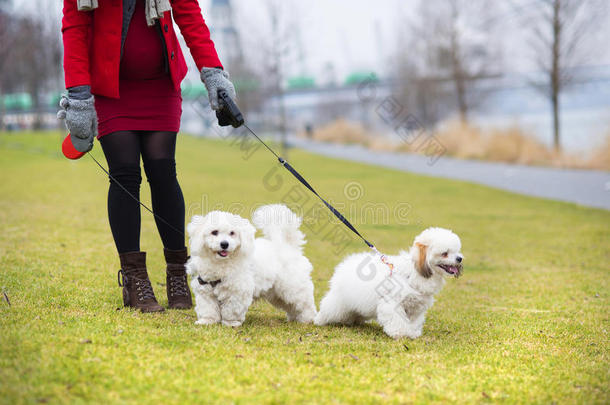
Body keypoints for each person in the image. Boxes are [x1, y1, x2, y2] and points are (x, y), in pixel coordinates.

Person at [58, 0, 236, 312]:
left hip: (160, 85)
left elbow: (190, 19)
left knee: (163, 173)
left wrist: (213, 73)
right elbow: (75, 28)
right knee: (124, 175)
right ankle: (134, 279)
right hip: (111, 88)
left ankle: (177, 271)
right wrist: (78, 95)